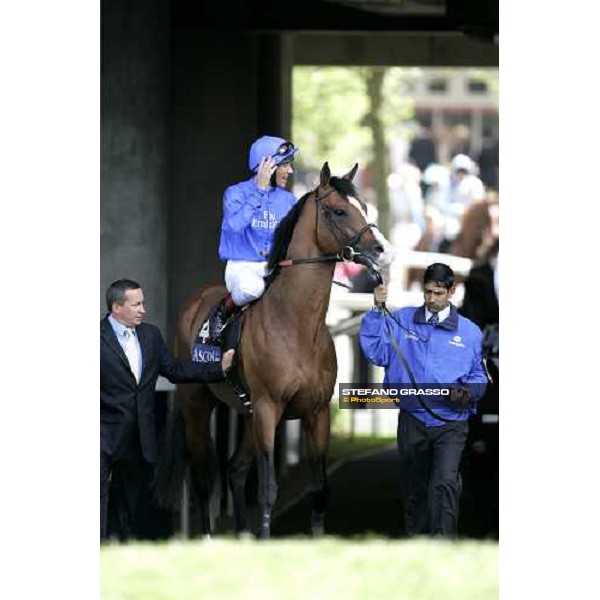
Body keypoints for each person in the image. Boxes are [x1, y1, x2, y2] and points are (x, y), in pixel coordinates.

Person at [359, 263, 488, 538]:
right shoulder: (402, 319)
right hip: (413, 419)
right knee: (413, 487)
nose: (431, 299)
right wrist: (375, 311)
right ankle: (416, 543)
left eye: (438, 293)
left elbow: (479, 376)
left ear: (451, 291)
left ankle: (445, 545)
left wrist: (469, 393)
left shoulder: (471, 333)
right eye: (427, 292)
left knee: (444, 482)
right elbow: (377, 353)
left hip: (452, 422)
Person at [100, 279, 235, 542]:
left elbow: (175, 370)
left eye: (143, 303)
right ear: (116, 307)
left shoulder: (150, 335)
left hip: (138, 440)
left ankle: (118, 557)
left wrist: (219, 369)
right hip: (101, 437)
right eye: (136, 304)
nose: (143, 309)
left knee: (127, 507)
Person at [211, 135, 299, 336]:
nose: (290, 171)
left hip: (275, 267)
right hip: (242, 267)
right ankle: (223, 310)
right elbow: (234, 227)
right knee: (253, 288)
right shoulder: (235, 193)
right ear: (268, 165)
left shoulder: (289, 200)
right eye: (285, 165)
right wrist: (259, 191)